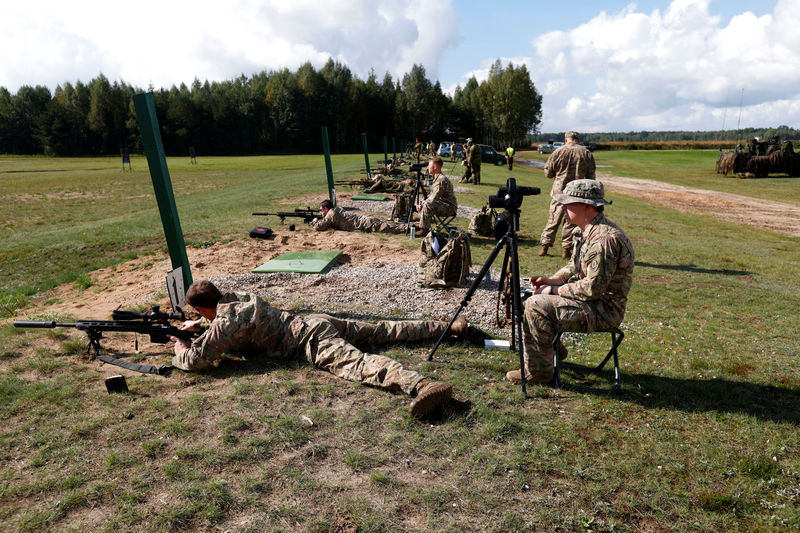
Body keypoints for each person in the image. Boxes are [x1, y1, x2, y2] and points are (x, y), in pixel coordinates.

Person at [172, 280, 467, 416]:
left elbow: (199, 358)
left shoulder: (224, 324)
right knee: (383, 329)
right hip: (314, 321)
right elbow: (231, 324)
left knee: (360, 364)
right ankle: (447, 326)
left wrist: (180, 350)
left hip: (310, 341)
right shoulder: (240, 297)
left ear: (201, 308)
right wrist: (204, 326)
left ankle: (422, 384)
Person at [506, 180, 634, 385]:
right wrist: (552, 280)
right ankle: (551, 352)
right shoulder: (584, 231)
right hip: (590, 303)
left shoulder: (604, 239)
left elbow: (592, 289)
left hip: (603, 310)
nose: (563, 207)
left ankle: (540, 372)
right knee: (528, 297)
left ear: (587, 206)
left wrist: (554, 290)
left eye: (569, 203)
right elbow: (573, 267)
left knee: (536, 305)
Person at [539, 130, 596, 259]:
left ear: (566, 139)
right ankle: (567, 249)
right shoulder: (586, 153)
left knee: (553, 219)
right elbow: (591, 178)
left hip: (559, 192)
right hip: (577, 194)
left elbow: (548, 173)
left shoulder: (558, 152)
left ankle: (545, 246)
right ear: (578, 139)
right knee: (571, 222)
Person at [311, 200, 408, 234]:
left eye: (321, 210)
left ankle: (414, 228)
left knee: (394, 228)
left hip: (366, 224)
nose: (320, 212)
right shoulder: (336, 210)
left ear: (326, 209)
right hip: (366, 221)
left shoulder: (331, 214)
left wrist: (314, 221)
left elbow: (319, 227)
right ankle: (413, 227)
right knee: (392, 225)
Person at [417, 157, 457, 230]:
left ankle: (424, 229)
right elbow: (432, 195)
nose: (428, 167)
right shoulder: (437, 178)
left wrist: (422, 203)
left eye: (429, 165)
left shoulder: (441, 180)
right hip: (445, 205)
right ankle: (422, 226)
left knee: (428, 204)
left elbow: (434, 198)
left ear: (435, 167)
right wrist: (422, 202)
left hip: (450, 208)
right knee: (426, 202)